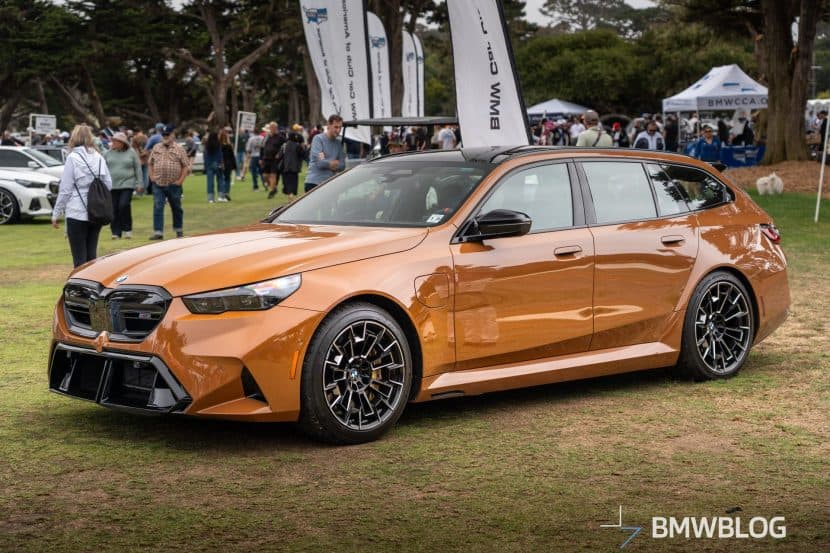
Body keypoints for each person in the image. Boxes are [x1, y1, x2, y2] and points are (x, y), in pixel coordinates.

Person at [51, 124, 113, 267]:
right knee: (92, 258)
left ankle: (80, 288)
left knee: (79, 260)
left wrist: (56, 212)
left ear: (73, 138)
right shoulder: (99, 157)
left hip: (77, 212)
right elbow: (108, 184)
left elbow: (65, 189)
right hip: (96, 211)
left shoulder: (72, 157)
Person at [147, 125, 189, 239]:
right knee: (158, 206)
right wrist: (151, 177)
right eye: (164, 135)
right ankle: (158, 232)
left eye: (167, 135)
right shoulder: (156, 147)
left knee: (176, 207)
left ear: (173, 135)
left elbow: (185, 166)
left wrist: (180, 181)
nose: (165, 137)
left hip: (174, 184)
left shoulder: (179, 149)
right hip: (158, 183)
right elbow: (150, 163)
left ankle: (179, 230)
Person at [104, 132, 142, 239]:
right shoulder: (107, 153)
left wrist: (140, 183)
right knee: (114, 208)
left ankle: (127, 229)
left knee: (123, 205)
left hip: (127, 183)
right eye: (113, 141)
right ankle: (116, 232)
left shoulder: (131, 152)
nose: (113, 143)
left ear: (122, 143)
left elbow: (138, 168)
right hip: (112, 185)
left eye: (116, 141)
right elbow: (102, 168)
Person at [305, 114, 345, 193]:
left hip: (330, 184)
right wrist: (334, 163)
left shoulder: (338, 143)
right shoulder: (318, 139)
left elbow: (343, 165)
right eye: (336, 127)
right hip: (314, 183)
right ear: (328, 125)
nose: (338, 130)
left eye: (340, 127)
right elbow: (320, 163)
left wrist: (328, 162)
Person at [262, 121, 286, 199]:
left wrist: (279, 154)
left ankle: (272, 190)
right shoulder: (267, 137)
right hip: (266, 158)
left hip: (275, 159)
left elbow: (284, 146)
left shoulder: (280, 137)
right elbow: (262, 147)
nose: (272, 129)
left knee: (273, 175)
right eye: (271, 127)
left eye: (273, 127)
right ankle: (274, 188)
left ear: (276, 128)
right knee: (265, 176)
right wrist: (260, 158)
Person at [281, 129, 305, 202]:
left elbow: (279, 155)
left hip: (285, 167)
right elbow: (303, 154)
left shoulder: (284, 145)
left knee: (287, 184)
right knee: (292, 184)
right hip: (294, 168)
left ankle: (290, 198)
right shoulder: (297, 146)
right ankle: (291, 199)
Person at [203, 128, 223, 203]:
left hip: (209, 164)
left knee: (210, 182)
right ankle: (220, 196)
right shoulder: (218, 144)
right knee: (220, 179)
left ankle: (210, 198)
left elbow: (205, 155)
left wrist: (205, 164)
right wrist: (220, 162)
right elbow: (219, 154)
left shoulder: (207, 145)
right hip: (216, 163)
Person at [219, 128, 236, 201]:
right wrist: (234, 166)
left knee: (221, 179)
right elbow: (232, 156)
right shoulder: (229, 146)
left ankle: (222, 192)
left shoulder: (219, 146)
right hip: (228, 163)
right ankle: (227, 192)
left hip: (221, 163)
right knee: (227, 179)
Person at [131, 130, 149, 196]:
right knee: (145, 176)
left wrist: (138, 156)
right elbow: (148, 149)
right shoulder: (146, 138)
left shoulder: (134, 138)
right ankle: (144, 191)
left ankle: (139, 191)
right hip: (145, 159)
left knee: (138, 176)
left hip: (138, 160)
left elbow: (133, 149)